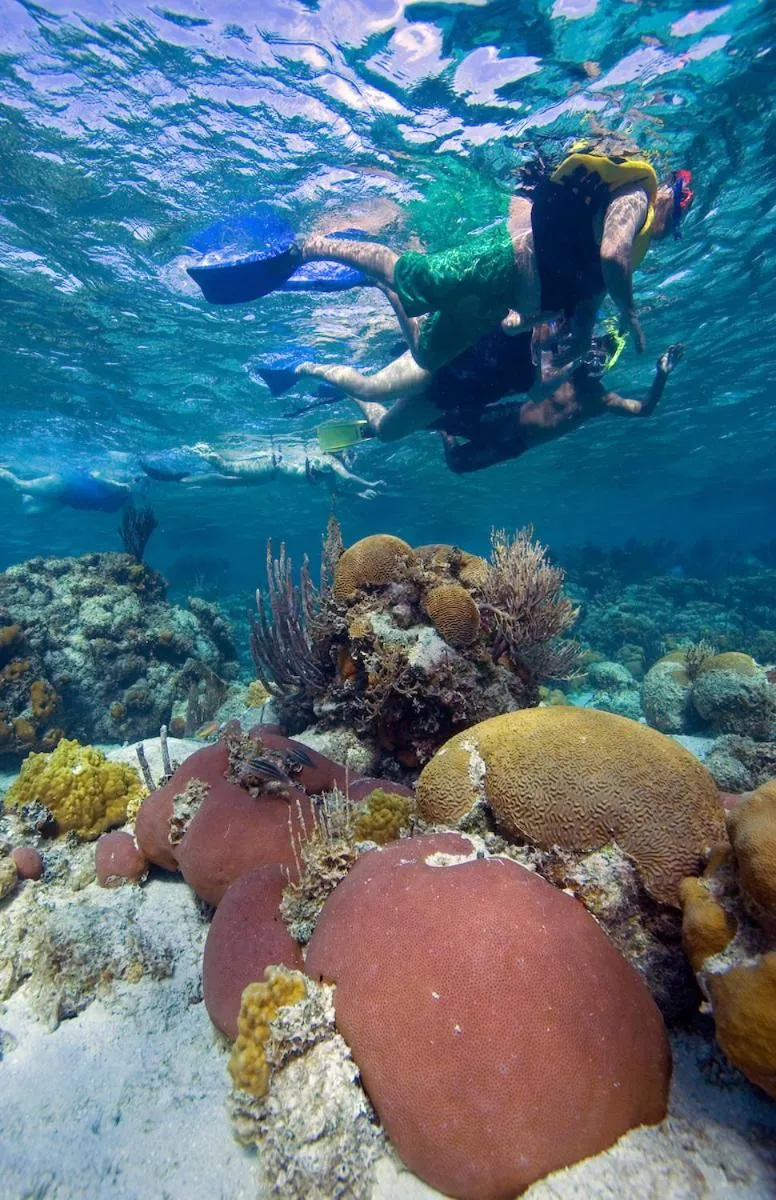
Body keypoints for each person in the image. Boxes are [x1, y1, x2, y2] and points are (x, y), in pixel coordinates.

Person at [188, 141, 694, 372]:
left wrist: (568, 332)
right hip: (504, 261)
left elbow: (585, 294)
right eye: (676, 219)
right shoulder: (636, 195)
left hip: (506, 300)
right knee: (421, 275)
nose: (666, 232)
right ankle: (310, 247)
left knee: (428, 356)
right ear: (672, 193)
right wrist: (628, 311)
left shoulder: (638, 233)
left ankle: (380, 285)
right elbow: (610, 255)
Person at [439, 342, 684, 474]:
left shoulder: (602, 399)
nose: (596, 362)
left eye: (602, 359)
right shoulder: (561, 373)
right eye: (592, 356)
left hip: (514, 445)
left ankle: (446, 435)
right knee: (441, 416)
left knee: (458, 464)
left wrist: (661, 375)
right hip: (505, 418)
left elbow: (644, 409)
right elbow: (542, 344)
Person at [139, 439, 385, 500]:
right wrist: (371, 485)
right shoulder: (331, 462)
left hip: (268, 476)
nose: (350, 460)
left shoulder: (329, 471)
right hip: (269, 467)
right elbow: (349, 477)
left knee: (227, 480)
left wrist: (358, 494)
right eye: (350, 455)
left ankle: (181, 480)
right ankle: (199, 449)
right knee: (225, 466)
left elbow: (335, 492)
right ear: (342, 452)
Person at [0, 466, 132, 515]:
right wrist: (118, 484)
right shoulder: (116, 481)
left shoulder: (123, 500)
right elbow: (95, 473)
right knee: (19, 486)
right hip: (64, 483)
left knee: (29, 512)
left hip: (65, 500)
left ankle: (27, 483)